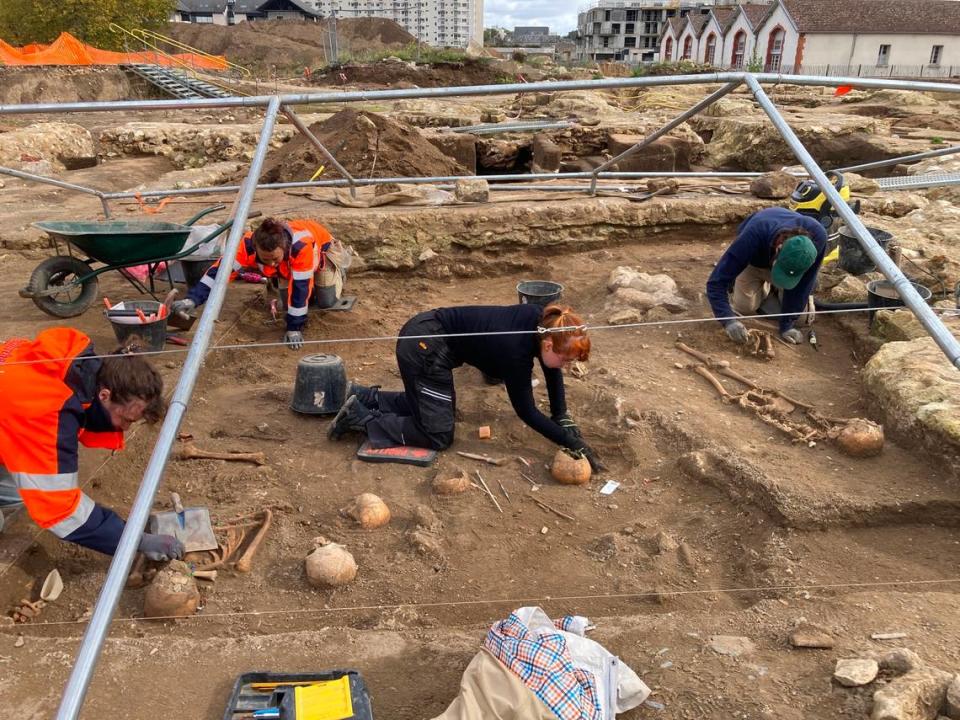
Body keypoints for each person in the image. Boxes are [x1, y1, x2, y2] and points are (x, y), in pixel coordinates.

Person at [327, 303, 605, 472]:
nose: (567, 367)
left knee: (432, 406)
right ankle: (361, 419)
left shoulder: (543, 322)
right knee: (438, 435)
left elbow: (551, 365)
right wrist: (570, 442)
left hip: (427, 333)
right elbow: (527, 412)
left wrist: (561, 415)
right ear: (547, 345)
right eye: (567, 361)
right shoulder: (516, 352)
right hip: (425, 348)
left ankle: (365, 397)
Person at [0, 328, 182, 561]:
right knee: (36, 492)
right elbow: (61, 510)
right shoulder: (45, 413)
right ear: (104, 395)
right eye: (126, 419)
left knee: (21, 489)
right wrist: (136, 540)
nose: (125, 428)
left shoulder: (70, 369)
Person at [171, 217, 347, 350]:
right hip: (288, 267)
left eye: (275, 258)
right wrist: (191, 300)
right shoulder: (246, 246)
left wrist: (294, 327)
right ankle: (297, 282)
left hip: (322, 253)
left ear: (284, 247)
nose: (270, 263)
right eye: (265, 259)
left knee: (326, 302)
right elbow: (218, 274)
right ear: (256, 249)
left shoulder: (300, 247)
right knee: (289, 305)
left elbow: (301, 287)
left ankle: (337, 272)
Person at [707, 206, 827, 345]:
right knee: (744, 307)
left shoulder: (818, 238)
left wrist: (786, 325)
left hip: (791, 271)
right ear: (778, 247)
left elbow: (805, 282)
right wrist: (728, 320)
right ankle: (766, 289)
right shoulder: (752, 235)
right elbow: (716, 282)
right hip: (755, 263)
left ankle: (777, 291)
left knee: (800, 320)